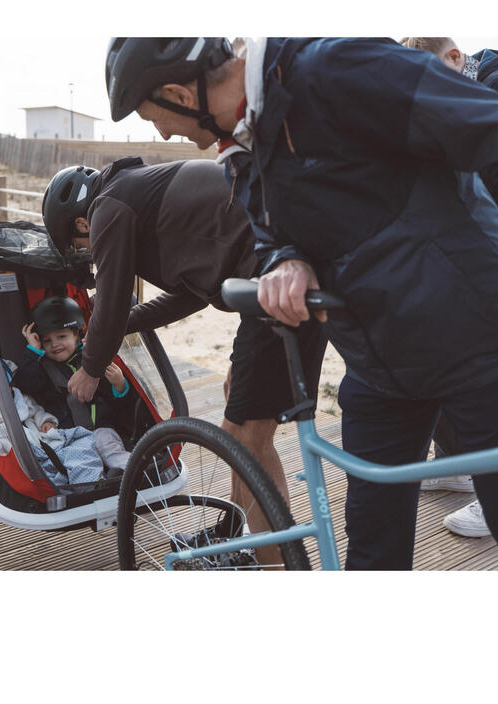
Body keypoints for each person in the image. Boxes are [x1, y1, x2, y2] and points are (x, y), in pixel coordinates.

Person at [106, 36, 498, 570]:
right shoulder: (242, 143)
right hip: (380, 365)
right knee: (372, 555)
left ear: (179, 92)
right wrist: (286, 256)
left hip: (481, 341)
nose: (164, 134)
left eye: (155, 119)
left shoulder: (339, 69)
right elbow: (267, 227)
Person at [40, 157, 326, 562]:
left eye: (79, 247)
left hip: (278, 279)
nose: (87, 254)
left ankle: (277, 566)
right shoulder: (136, 192)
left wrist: (89, 368)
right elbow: (190, 293)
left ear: (81, 225)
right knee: (240, 412)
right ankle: (235, 534)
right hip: (281, 273)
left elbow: (112, 295)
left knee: (244, 439)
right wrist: (122, 326)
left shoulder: (108, 207)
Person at [402, 37, 498, 538]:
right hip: (496, 255)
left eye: (430, 73)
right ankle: (458, 466)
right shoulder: (456, 103)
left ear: (456, 58)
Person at [12, 295, 131, 476]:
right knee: (81, 464)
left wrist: (119, 385)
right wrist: (34, 350)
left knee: (111, 449)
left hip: (99, 429)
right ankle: (98, 483)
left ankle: (130, 470)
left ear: (78, 334)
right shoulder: (41, 367)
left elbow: (117, 405)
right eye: (47, 341)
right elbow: (25, 385)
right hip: (69, 437)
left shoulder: (93, 361)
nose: (55, 345)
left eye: (61, 336)